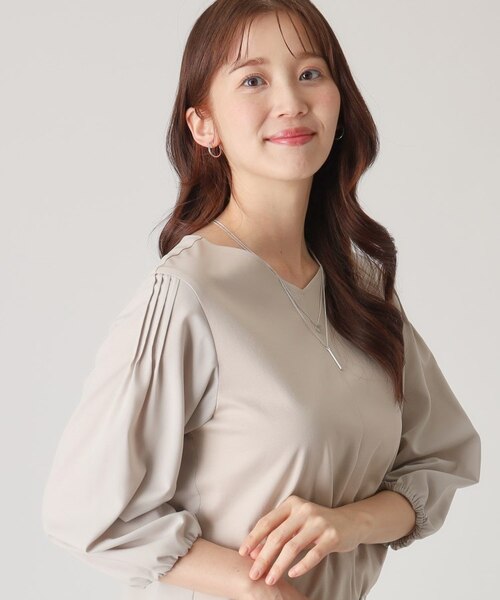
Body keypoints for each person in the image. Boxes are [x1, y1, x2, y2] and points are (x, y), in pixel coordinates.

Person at [41, 1, 481, 599]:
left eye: (310, 73)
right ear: (204, 125)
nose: (291, 101)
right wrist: (253, 586)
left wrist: (346, 524)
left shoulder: (362, 285)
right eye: (253, 80)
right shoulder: (186, 294)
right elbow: (85, 513)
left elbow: (439, 460)